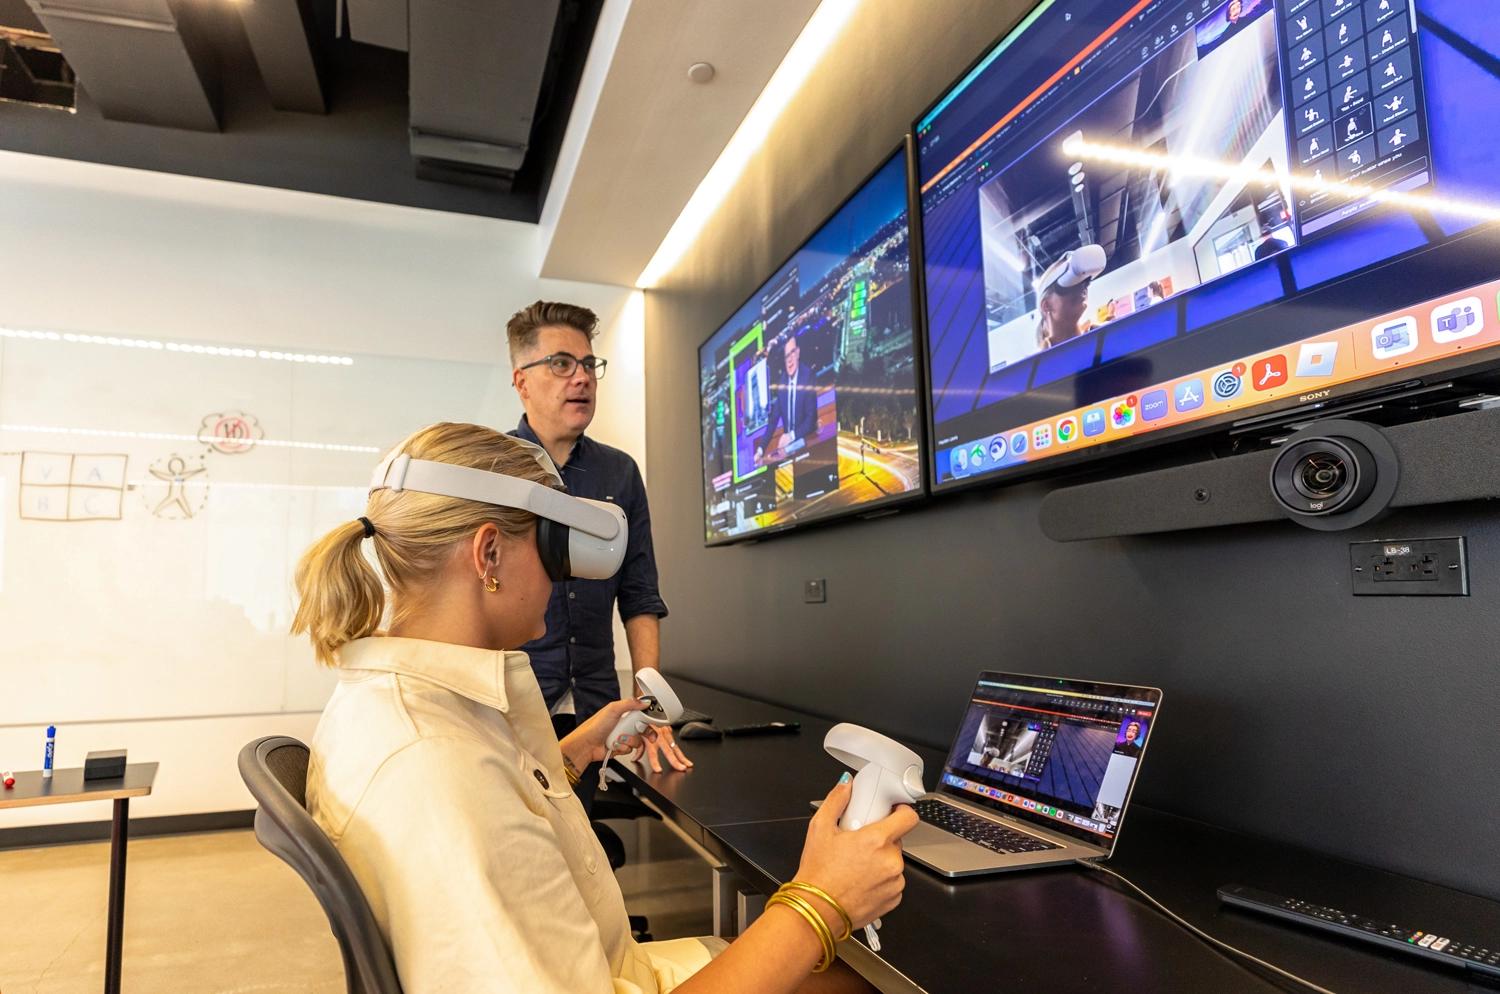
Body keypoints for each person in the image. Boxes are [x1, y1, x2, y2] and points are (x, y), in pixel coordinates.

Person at [294, 422, 918, 993]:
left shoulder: (410, 707)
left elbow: (492, 817)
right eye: (550, 549)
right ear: (488, 555)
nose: (561, 580)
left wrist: (570, 754)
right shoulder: (431, 766)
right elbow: (462, 798)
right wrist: (821, 901)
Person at [506, 301, 687, 783]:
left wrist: (647, 704)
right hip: (514, 704)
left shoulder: (619, 472)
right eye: (562, 364)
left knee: (579, 839)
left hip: (596, 703)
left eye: (589, 364)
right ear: (522, 380)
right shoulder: (494, 469)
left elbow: (639, 593)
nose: (581, 378)